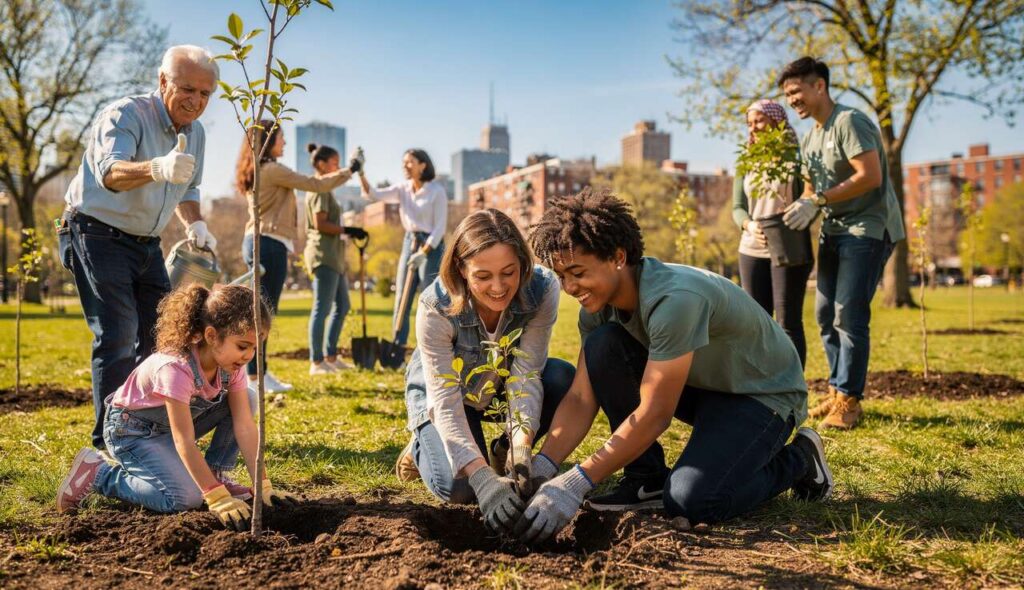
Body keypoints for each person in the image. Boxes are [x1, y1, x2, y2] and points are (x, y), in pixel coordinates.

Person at [512, 189, 832, 545]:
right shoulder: (599, 308)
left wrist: (575, 483)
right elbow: (580, 399)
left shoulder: (674, 301)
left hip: (761, 397)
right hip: (703, 384)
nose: (570, 287)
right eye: (561, 276)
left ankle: (801, 459)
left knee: (692, 500)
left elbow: (655, 413)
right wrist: (542, 467)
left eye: (578, 272)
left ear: (618, 257)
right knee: (604, 344)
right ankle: (644, 481)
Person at [59, 45, 220, 455]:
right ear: (163, 81)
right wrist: (156, 167)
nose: (196, 101)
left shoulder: (195, 133)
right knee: (117, 335)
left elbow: (190, 186)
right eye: (187, 88)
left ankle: (147, 431)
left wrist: (195, 223)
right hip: (95, 232)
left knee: (164, 337)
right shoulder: (126, 114)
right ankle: (110, 445)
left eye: (205, 94)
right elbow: (111, 173)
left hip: (147, 243)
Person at [56, 284, 298, 530]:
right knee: (185, 498)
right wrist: (215, 496)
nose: (249, 355)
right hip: (132, 433)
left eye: (255, 347)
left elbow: (245, 426)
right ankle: (99, 474)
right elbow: (184, 440)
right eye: (243, 346)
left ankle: (213, 475)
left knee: (247, 398)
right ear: (212, 336)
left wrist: (262, 484)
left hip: (169, 430)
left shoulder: (230, 366)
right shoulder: (175, 368)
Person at [396, 209, 575, 535]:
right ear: (462, 270)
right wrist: (480, 477)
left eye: (509, 272)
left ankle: (503, 452)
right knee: (460, 490)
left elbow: (527, 374)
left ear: (523, 263)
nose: (498, 287)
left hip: (500, 385)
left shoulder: (542, 288)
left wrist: (522, 446)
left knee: (561, 378)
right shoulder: (435, 306)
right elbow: (446, 399)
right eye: (483, 276)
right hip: (448, 397)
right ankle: (423, 439)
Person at [779, 57, 906, 429]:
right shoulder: (811, 136)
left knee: (848, 314)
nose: (792, 101)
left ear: (819, 86)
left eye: (796, 91)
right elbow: (811, 186)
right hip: (834, 230)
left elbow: (870, 176)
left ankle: (850, 400)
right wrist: (805, 201)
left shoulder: (849, 122)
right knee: (823, 314)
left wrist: (819, 201)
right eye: (787, 95)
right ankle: (836, 391)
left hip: (867, 229)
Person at [234, 122, 360, 391]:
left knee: (260, 312)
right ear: (268, 141)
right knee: (262, 313)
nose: (285, 143)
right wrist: (350, 171)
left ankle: (258, 374)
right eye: (281, 138)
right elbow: (314, 184)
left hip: (261, 241)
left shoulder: (258, 169)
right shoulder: (272, 169)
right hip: (267, 242)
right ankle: (256, 376)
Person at [733, 99, 813, 367]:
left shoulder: (795, 158)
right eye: (750, 123)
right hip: (751, 248)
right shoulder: (746, 160)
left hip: (788, 246)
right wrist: (749, 224)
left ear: (776, 121)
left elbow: (808, 197)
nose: (754, 128)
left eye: (759, 120)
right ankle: (762, 390)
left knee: (788, 322)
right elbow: (737, 208)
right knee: (756, 324)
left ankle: (793, 391)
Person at [358, 149, 447, 350]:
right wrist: (361, 172)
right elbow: (373, 194)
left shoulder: (436, 191)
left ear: (423, 165)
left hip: (431, 246)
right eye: (403, 162)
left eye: (410, 162)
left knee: (429, 297)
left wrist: (423, 253)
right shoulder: (402, 189)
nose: (404, 166)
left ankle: (431, 346)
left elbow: (440, 228)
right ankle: (397, 346)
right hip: (410, 241)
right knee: (401, 297)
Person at [303, 143, 369, 375]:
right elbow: (320, 224)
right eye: (334, 163)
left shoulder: (326, 190)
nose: (338, 167)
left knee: (343, 306)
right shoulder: (319, 189)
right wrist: (348, 230)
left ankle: (330, 356)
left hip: (335, 256)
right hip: (323, 255)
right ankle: (316, 361)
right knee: (322, 308)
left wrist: (347, 231)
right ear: (321, 165)